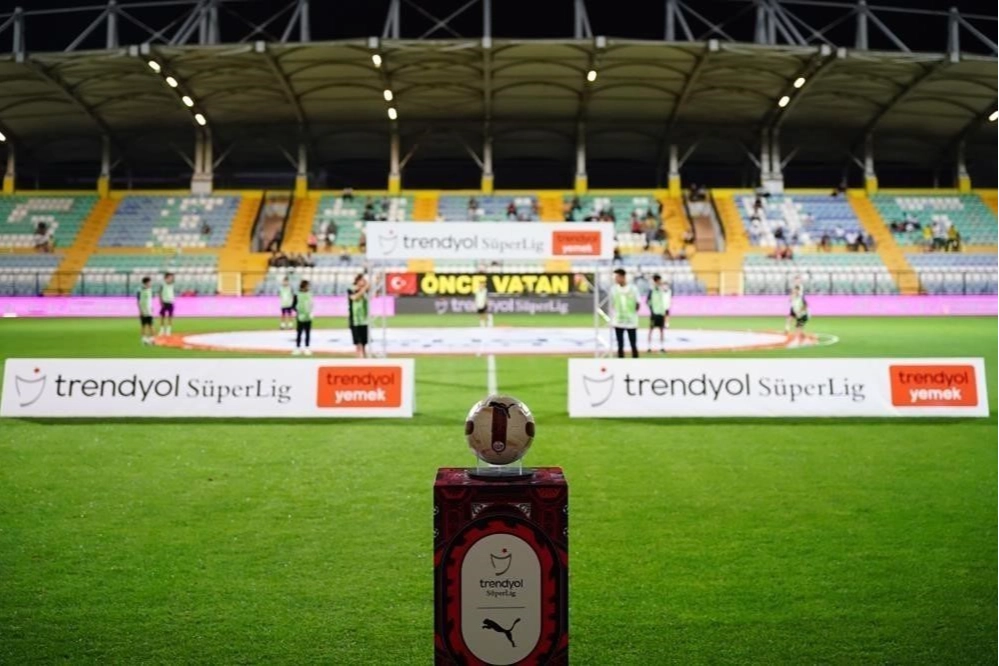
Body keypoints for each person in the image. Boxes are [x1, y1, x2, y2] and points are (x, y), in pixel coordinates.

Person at [610, 268, 640, 359]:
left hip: (631, 321)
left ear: (623, 277)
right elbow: (612, 304)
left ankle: (636, 363)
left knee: (633, 344)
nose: (615, 279)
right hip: (618, 321)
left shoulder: (633, 289)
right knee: (620, 344)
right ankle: (620, 363)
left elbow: (638, 303)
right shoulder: (613, 289)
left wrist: (632, 313)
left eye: (617, 277)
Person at [647, 274, 671, 353]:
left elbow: (667, 291)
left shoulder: (662, 289)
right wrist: (652, 310)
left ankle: (662, 347)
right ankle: (649, 347)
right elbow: (648, 301)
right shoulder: (651, 290)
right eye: (659, 280)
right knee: (651, 330)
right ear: (656, 280)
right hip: (654, 313)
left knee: (661, 330)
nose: (661, 282)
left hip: (661, 313)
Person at [348, 273, 370, 358]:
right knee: (357, 340)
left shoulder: (365, 291)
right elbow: (354, 297)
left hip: (364, 318)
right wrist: (364, 289)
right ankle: (359, 355)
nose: (364, 282)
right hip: (355, 318)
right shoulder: (351, 289)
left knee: (364, 340)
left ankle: (364, 354)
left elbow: (374, 295)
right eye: (362, 280)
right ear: (357, 281)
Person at [291, 279, 313, 356]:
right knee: (299, 333)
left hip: (308, 316)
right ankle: (298, 348)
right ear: (304, 286)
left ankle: (307, 348)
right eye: (307, 286)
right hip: (300, 316)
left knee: (307, 333)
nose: (308, 287)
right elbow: (293, 306)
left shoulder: (309, 294)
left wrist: (310, 312)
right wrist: (299, 311)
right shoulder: (297, 295)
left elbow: (311, 304)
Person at [137, 276, 155, 345]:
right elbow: (138, 302)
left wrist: (151, 307)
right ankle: (144, 339)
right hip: (143, 311)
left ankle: (152, 339)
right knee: (143, 325)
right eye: (150, 282)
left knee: (151, 325)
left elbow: (149, 300)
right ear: (146, 283)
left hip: (149, 311)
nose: (151, 283)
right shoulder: (140, 290)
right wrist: (140, 310)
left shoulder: (150, 290)